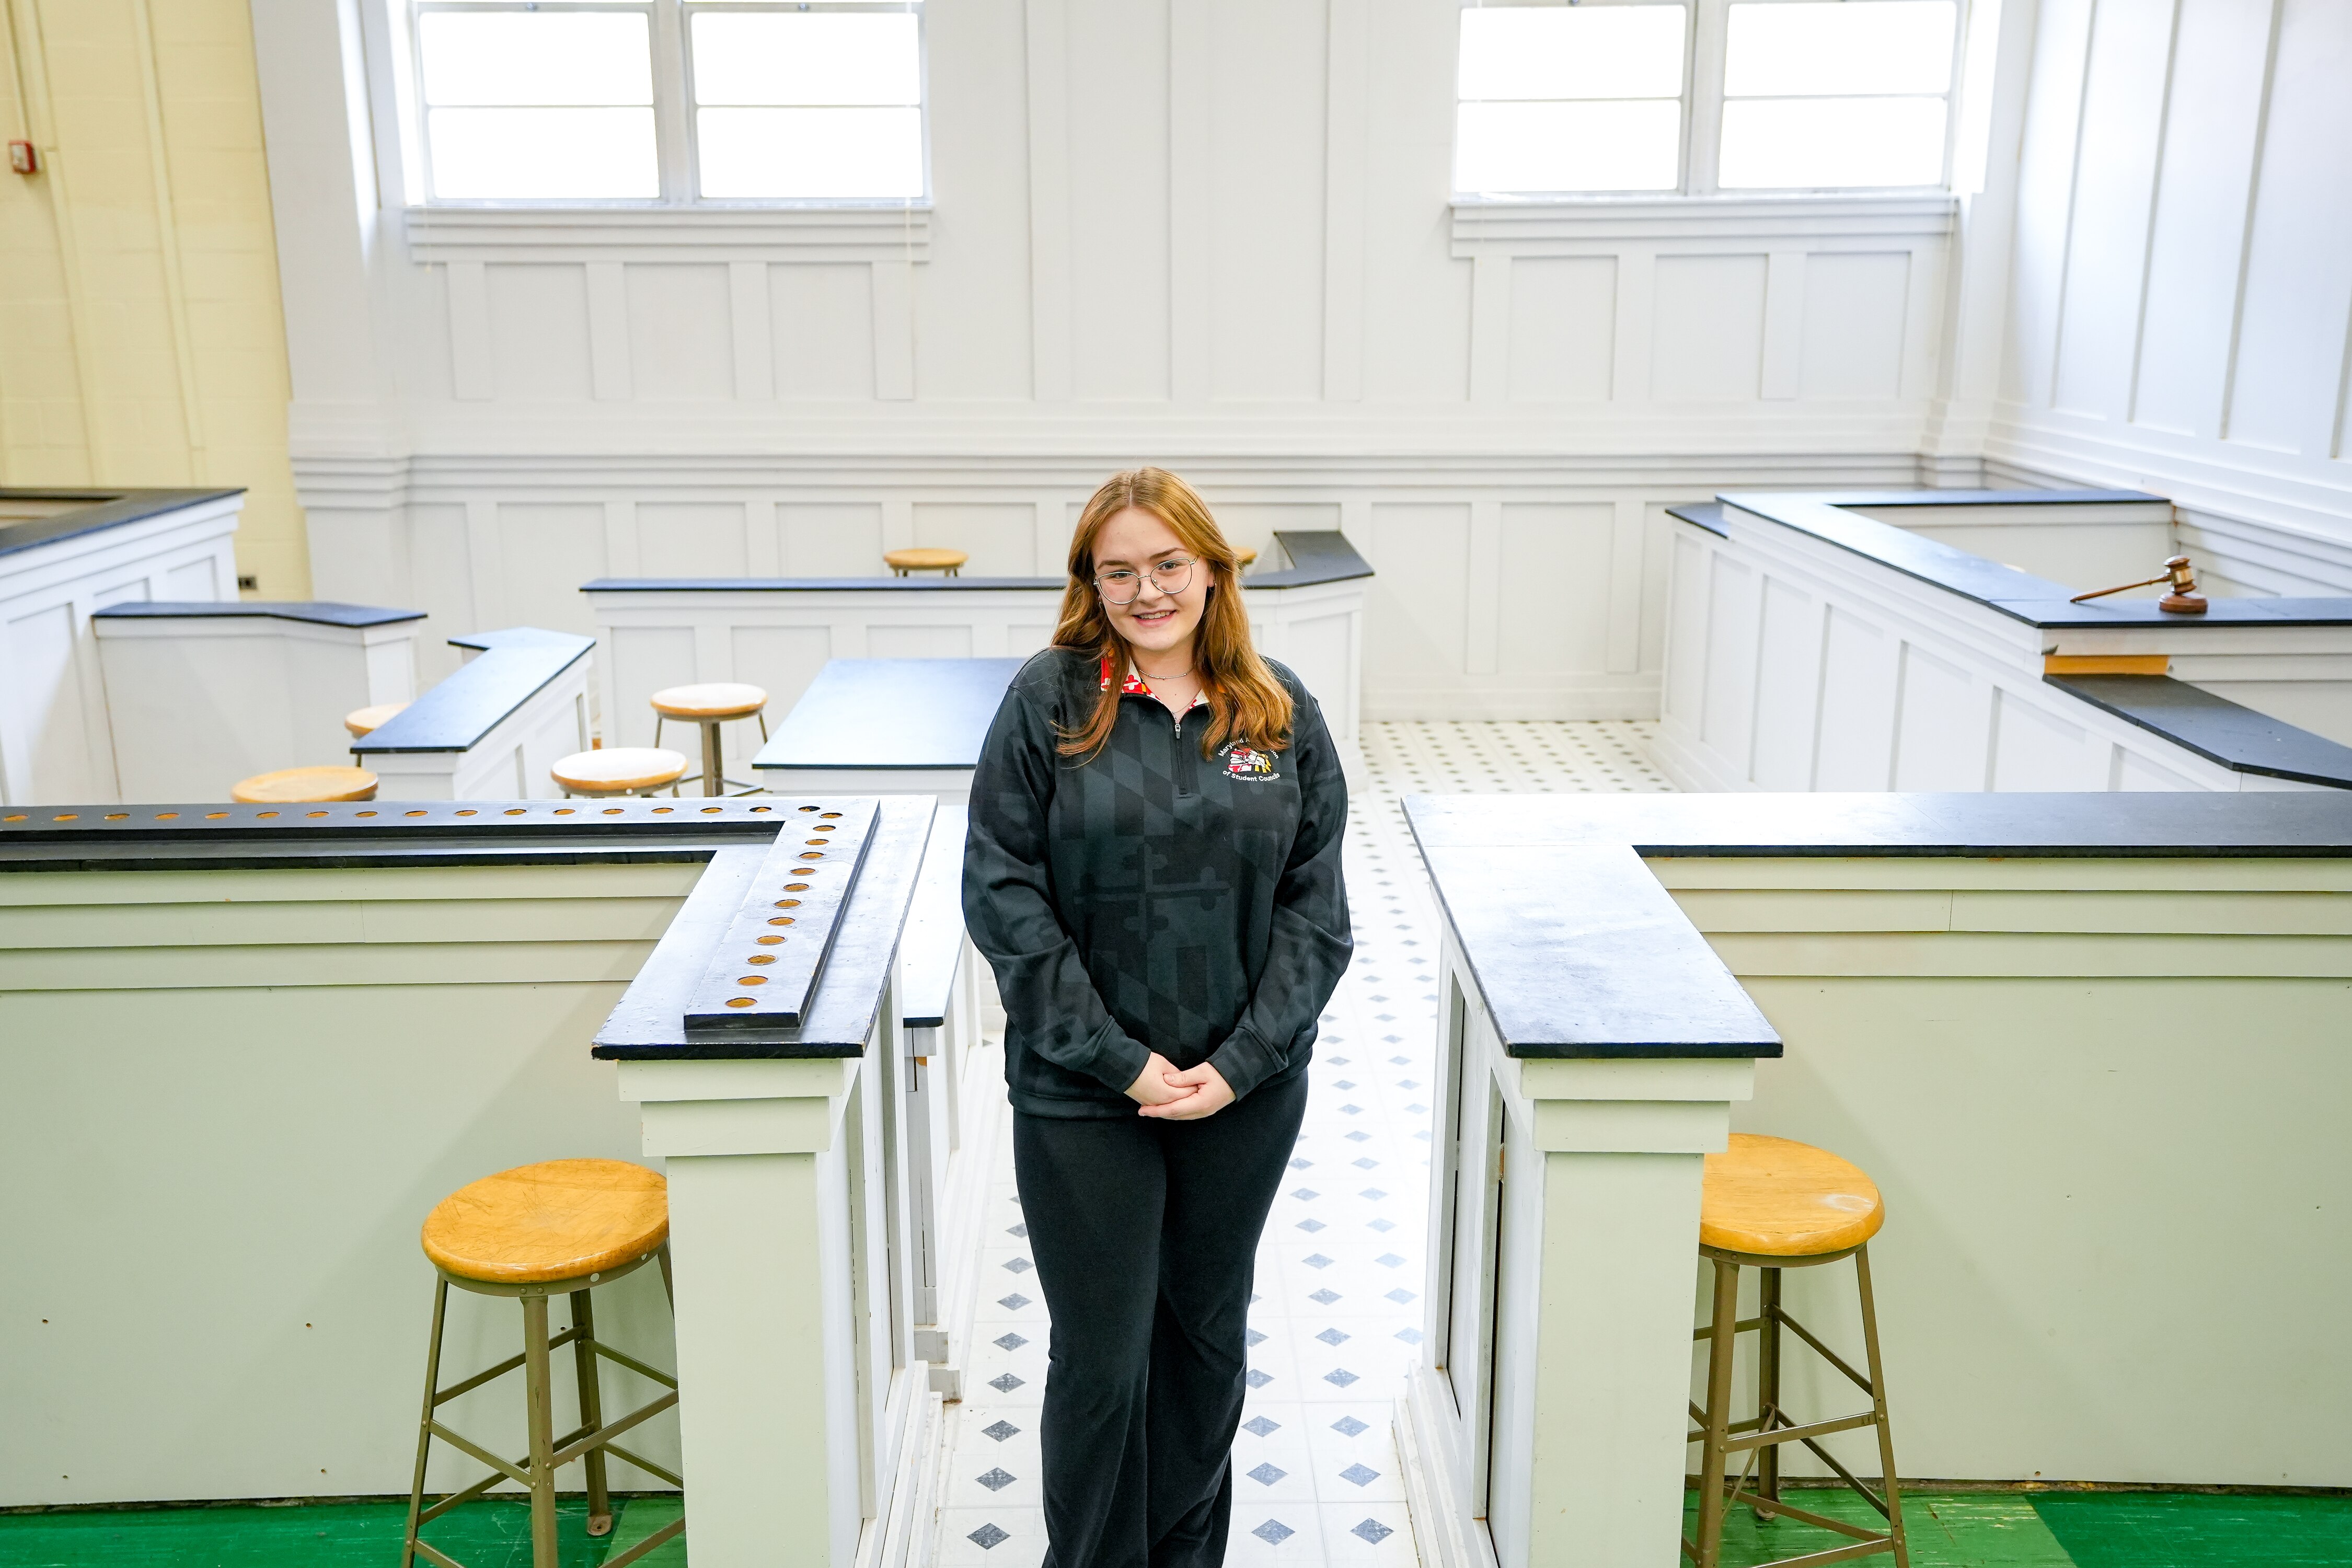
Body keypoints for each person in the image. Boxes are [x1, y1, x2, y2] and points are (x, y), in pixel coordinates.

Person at [962, 467, 1353, 1568]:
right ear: (1091, 582)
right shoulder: (1051, 700)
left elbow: (1316, 916)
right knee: (1102, 1363)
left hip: (1244, 1097)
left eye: (1168, 565)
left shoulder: (1279, 711)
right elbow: (1003, 893)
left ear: (1211, 570)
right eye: (1119, 570)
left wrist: (1240, 1065)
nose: (1147, 591)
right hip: (1083, 1097)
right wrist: (1121, 1062)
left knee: (1202, 1346)